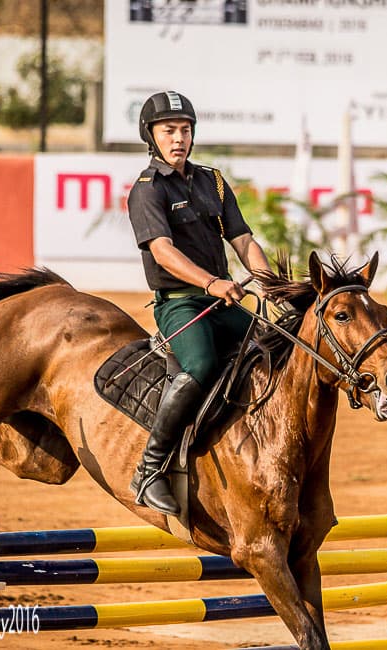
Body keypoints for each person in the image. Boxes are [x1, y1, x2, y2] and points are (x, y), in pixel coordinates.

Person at [126, 90, 273, 516]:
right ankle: (149, 470)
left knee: (270, 348)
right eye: (169, 130)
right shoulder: (147, 190)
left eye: (185, 130)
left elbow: (243, 240)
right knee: (202, 365)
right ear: (151, 136)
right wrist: (212, 283)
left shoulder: (213, 180)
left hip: (223, 299)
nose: (179, 138)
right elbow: (162, 251)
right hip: (180, 304)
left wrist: (268, 280)